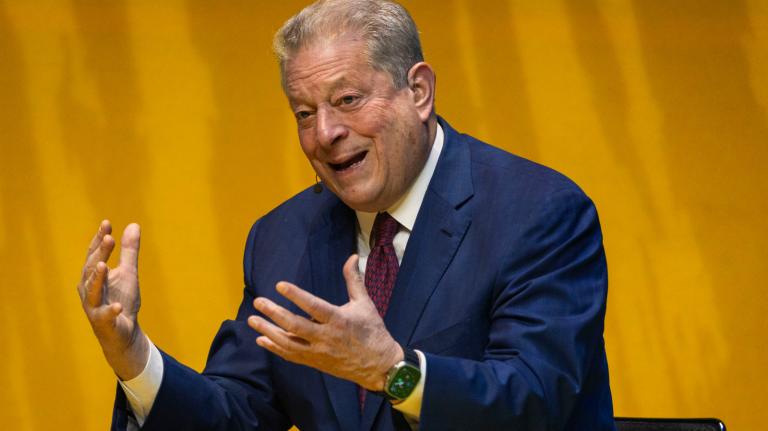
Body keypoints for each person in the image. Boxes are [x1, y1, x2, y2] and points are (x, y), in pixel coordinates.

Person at [76, 0, 615, 429]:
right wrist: (132, 356)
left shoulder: (538, 213)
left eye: (349, 100)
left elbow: (536, 402)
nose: (325, 134)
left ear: (419, 91)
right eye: (304, 113)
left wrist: (393, 374)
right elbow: (238, 415)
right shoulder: (282, 238)